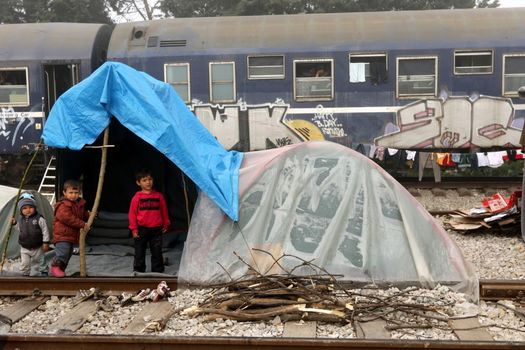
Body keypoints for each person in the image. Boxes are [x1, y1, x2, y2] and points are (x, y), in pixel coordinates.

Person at [128, 169, 170, 273]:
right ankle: (139, 270)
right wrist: (134, 229)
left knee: (157, 251)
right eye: (144, 180)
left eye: (150, 179)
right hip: (141, 229)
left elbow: (164, 211)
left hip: (156, 229)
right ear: (138, 183)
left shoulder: (159, 196)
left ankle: (158, 271)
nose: (148, 182)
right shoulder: (136, 198)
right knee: (139, 251)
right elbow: (132, 214)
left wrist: (166, 223)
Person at [50, 179, 89, 277]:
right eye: (70, 192)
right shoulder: (63, 205)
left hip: (71, 236)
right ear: (64, 193)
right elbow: (68, 218)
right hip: (62, 235)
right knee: (63, 252)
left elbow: (81, 215)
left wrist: (88, 215)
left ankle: (60, 270)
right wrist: (82, 224)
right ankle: (55, 267)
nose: (73, 195)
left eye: (76, 193)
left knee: (68, 254)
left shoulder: (79, 204)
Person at [11, 193, 50, 276]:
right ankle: (25, 274)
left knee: (41, 261)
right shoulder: (21, 220)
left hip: (38, 246)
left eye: (31, 207)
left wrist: (46, 242)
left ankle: (44, 272)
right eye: (24, 208)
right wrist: (15, 224)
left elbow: (45, 230)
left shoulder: (39, 218)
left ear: (35, 208)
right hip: (25, 247)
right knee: (25, 263)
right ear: (21, 210)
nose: (28, 210)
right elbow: (20, 229)